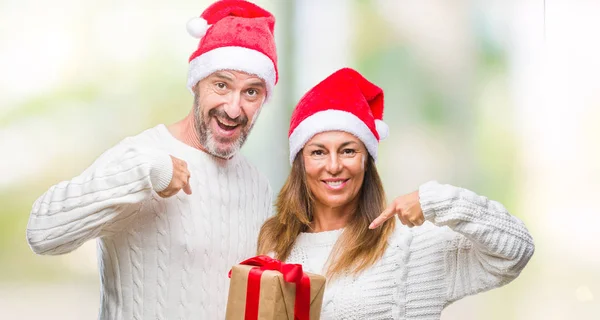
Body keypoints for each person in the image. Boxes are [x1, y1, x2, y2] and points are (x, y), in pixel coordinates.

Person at [26, 1, 278, 319]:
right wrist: (146, 172)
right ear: (196, 83)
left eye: (251, 92)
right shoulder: (142, 155)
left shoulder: (257, 184)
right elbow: (42, 233)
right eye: (221, 85)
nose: (233, 107)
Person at [258, 68, 535, 319]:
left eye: (348, 150)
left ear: (366, 160)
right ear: (300, 162)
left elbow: (516, 250)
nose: (334, 166)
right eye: (318, 152)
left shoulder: (410, 246)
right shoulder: (274, 244)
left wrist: (436, 201)